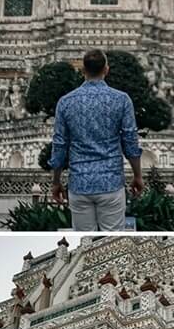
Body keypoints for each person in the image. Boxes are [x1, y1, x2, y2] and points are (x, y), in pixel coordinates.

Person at [49, 48, 144, 231]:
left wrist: (56, 182)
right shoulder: (121, 100)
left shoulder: (66, 102)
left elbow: (59, 145)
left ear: (83, 70)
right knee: (114, 241)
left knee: (85, 239)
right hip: (111, 181)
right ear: (106, 70)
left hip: (80, 183)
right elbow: (130, 141)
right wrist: (137, 176)